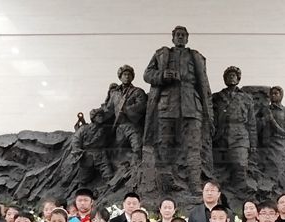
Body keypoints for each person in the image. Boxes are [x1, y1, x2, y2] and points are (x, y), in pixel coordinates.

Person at [142, 25, 214, 193]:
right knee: (164, 145)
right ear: (172, 37)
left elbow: (204, 86)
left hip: (191, 107)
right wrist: (162, 75)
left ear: (187, 38)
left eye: (183, 35)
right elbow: (147, 75)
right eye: (178, 35)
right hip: (167, 106)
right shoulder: (161, 54)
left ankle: (194, 184)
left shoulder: (196, 56)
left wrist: (208, 113)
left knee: (194, 146)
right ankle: (166, 183)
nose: (180, 37)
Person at [212, 66, 257, 189]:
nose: (231, 77)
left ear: (238, 79)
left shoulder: (246, 98)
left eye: (234, 75)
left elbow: (251, 123)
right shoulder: (217, 97)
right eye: (228, 76)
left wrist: (253, 144)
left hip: (240, 137)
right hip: (221, 136)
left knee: (240, 167)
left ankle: (240, 193)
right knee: (220, 170)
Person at [100, 64, 147, 168]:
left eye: (129, 75)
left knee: (138, 148)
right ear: (120, 77)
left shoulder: (138, 92)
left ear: (132, 77)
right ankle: (122, 170)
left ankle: (138, 169)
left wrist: (126, 109)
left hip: (133, 126)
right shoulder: (115, 94)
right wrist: (97, 116)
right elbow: (108, 110)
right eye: (124, 74)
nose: (127, 76)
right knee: (116, 151)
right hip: (120, 127)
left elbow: (142, 106)